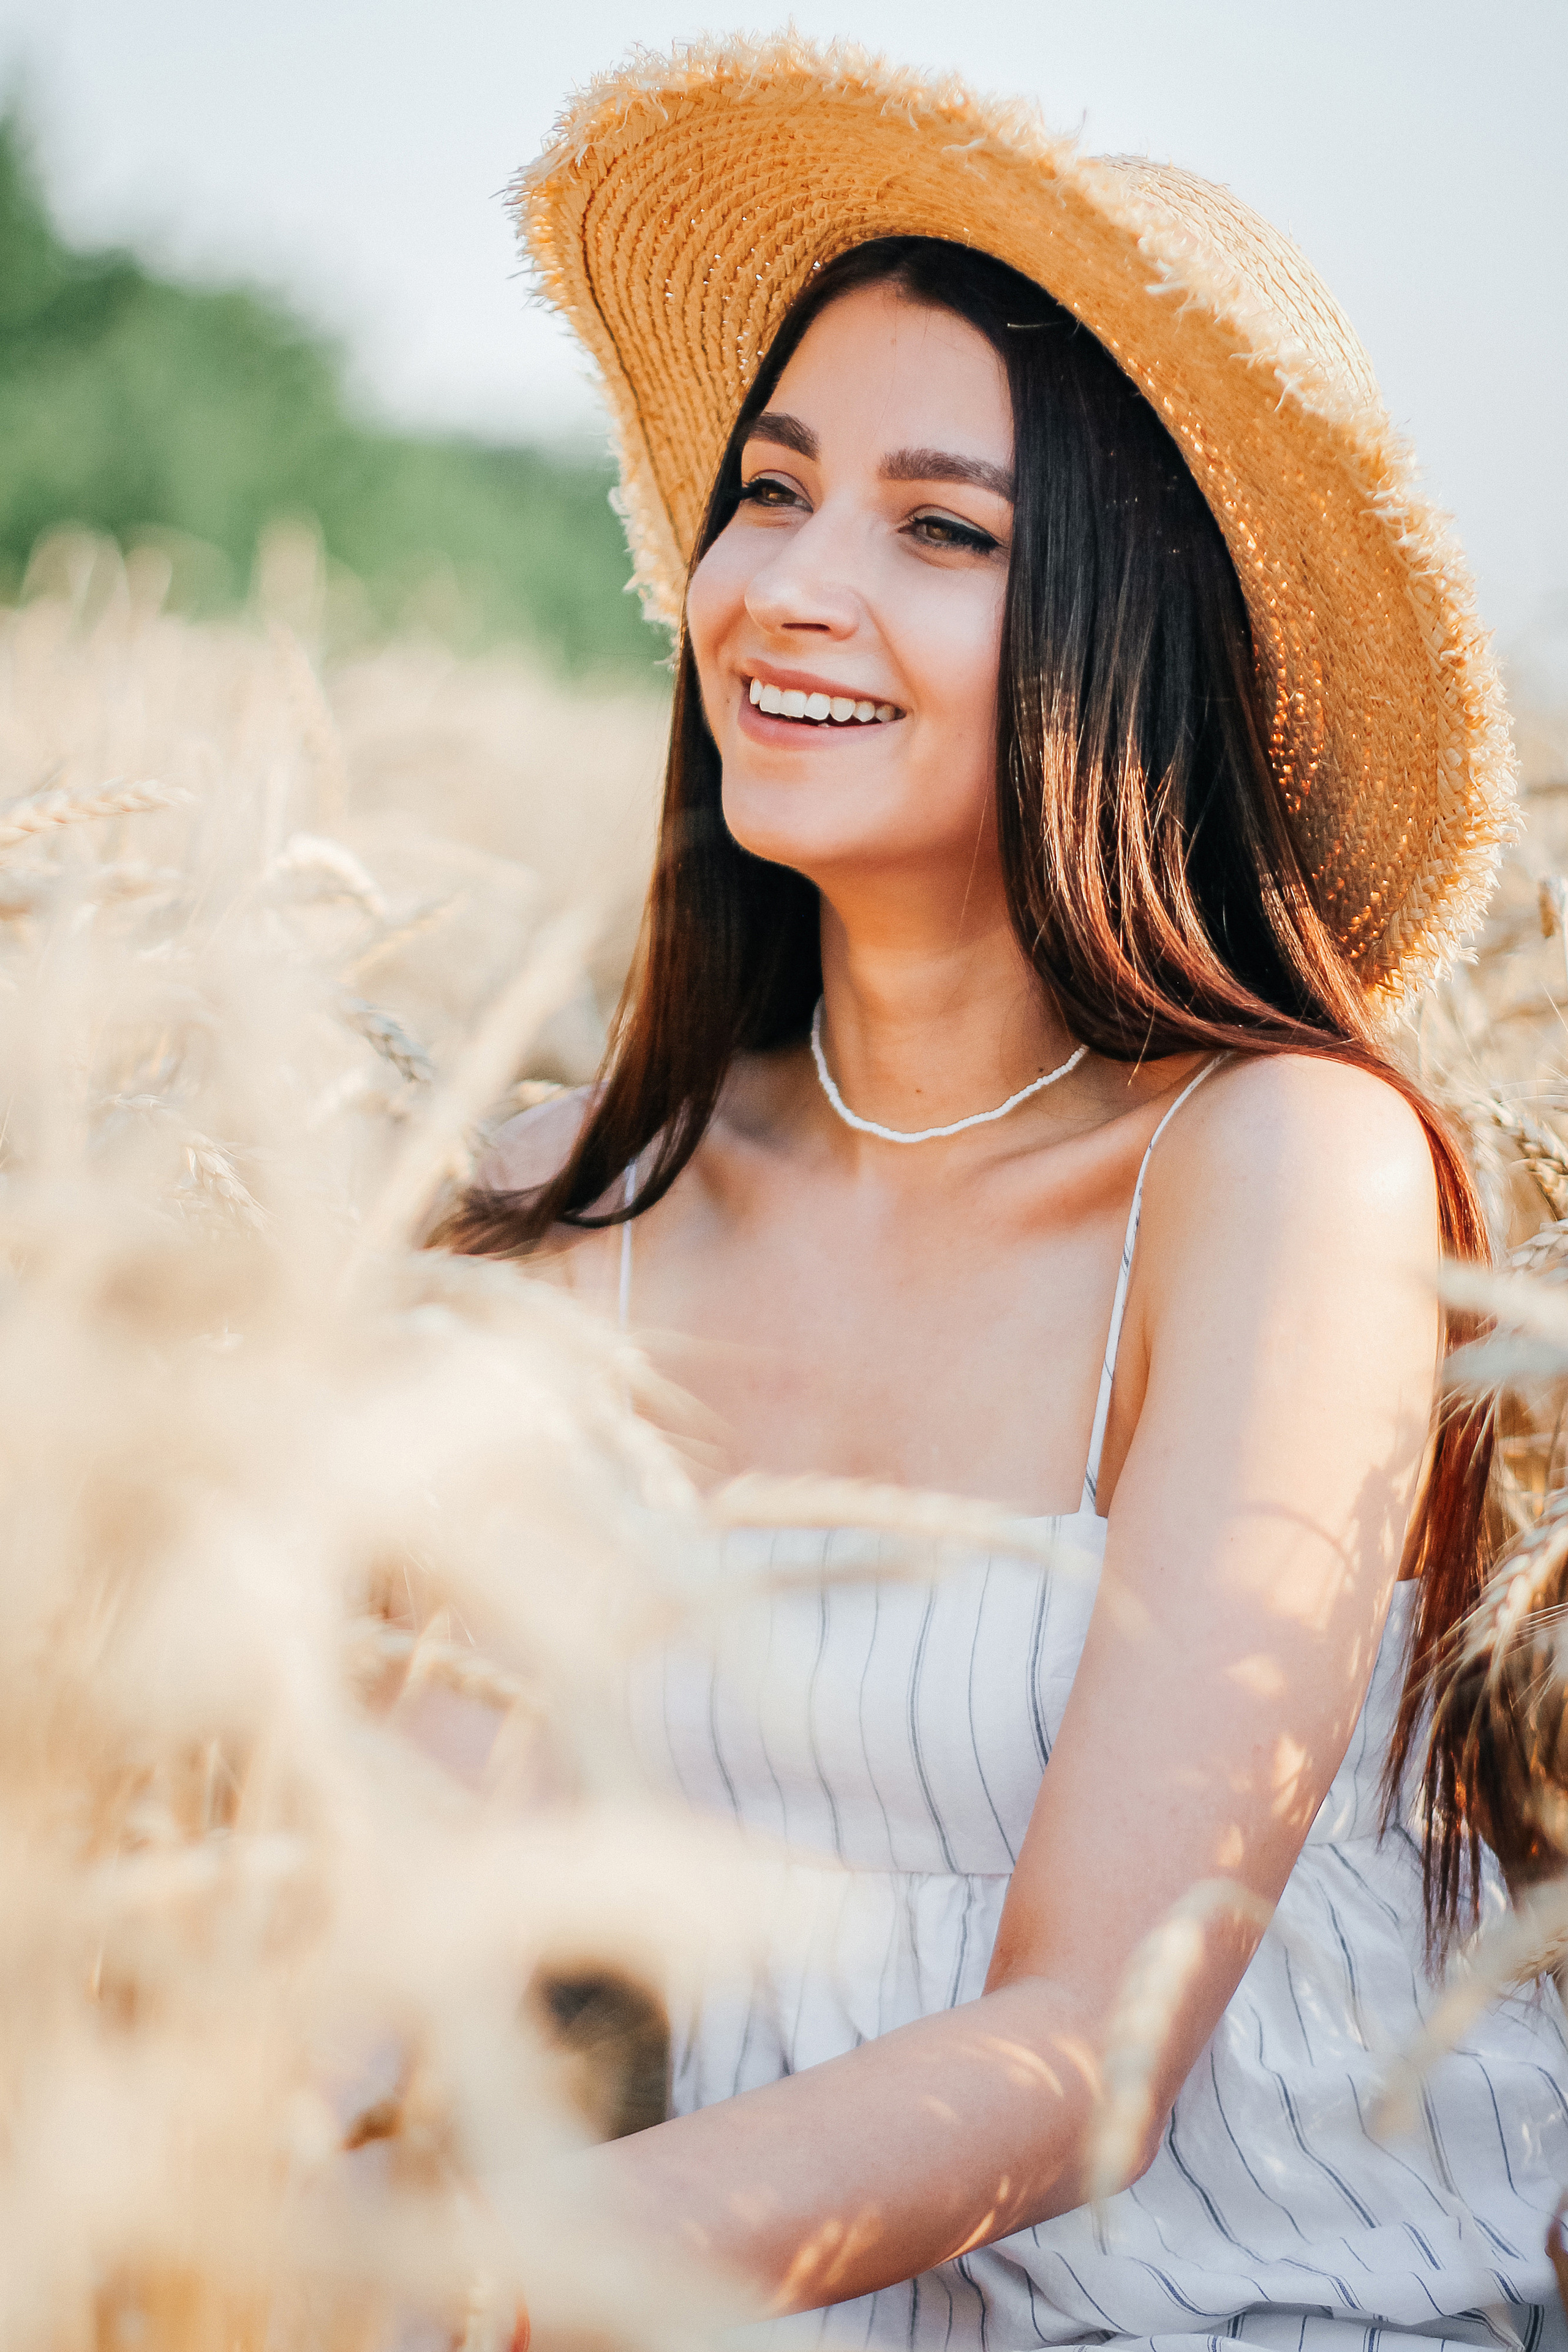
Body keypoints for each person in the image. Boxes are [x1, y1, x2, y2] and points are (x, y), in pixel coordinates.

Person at [448, 37, 1568, 2351]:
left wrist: (497, 2279)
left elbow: (1100, 2050)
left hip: (1250, 2308)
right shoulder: (552, 1193)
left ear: (1127, 642)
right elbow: (402, 1920)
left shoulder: (1277, 1167)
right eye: (773, 492)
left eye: (944, 530)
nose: (789, 588)